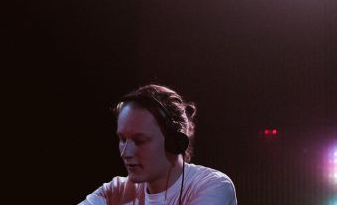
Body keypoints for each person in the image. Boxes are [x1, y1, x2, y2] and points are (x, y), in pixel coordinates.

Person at [79, 84, 237, 204]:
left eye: (139, 141)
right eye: (122, 139)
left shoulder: (213, 185)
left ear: (173, 141)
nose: (125, 152)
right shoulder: (115, 190)